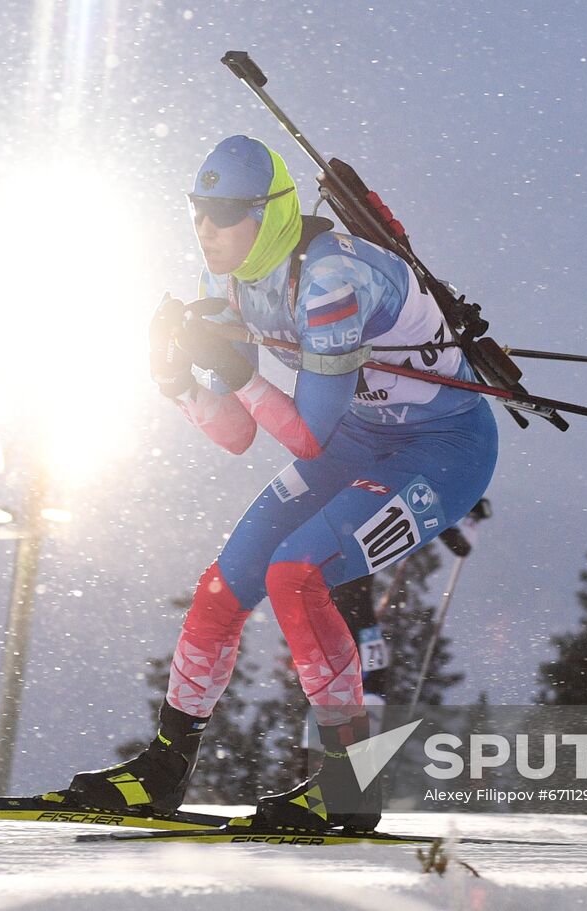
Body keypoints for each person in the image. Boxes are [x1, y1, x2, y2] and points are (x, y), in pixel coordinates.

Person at [67, 135, 498, 831]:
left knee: (295, 573)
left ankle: (348, 784)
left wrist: (236, 370)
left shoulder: (330, 280)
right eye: (197, 210)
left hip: (438, 448)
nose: (205, 228)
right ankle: (163, 769)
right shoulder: (227, 281)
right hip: (359, 437)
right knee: (225, 582)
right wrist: (174, 378)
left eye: (225, 211)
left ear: (267, 215)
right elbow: (237, 432)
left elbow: (304, 435)